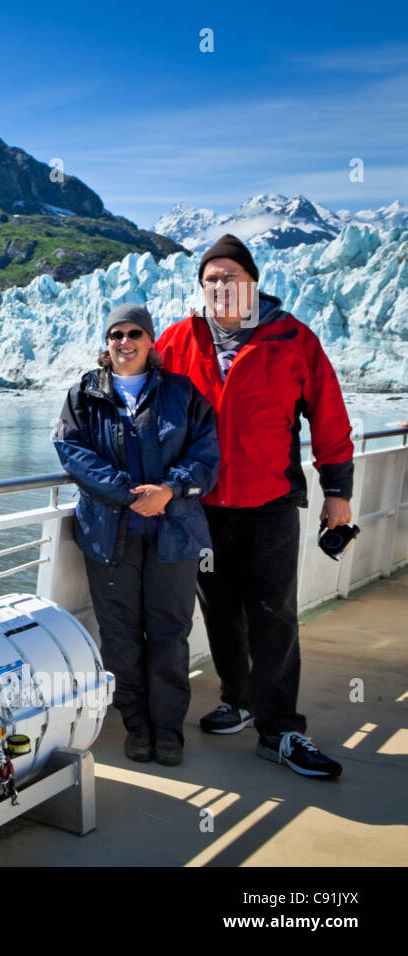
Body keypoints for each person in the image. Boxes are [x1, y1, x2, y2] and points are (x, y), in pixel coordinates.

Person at [156, 234, 353, 779]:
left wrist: (338, 490)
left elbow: (330, 417)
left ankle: (281, 728)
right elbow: (141, 404)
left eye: (230, 276)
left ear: (253, 282)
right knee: (219, 609)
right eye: (210, 279)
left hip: (269, 504)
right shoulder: (177, 340)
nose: (220, 286)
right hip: (204, 508)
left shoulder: (291, 339)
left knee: (272, 614)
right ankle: (237, 699)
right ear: (201, 288)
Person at [53, 304, 219, 766]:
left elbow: (206, 454)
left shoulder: (182, 393)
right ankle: (137, 724)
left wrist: (169, 489)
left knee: (170, 631)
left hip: (175, 534)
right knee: (121, 633)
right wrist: (129, 494)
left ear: (150, 341)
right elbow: (71, 450)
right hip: (111, 535)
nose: (124, 342)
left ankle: (168, 729)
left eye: (133, 334)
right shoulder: (84, 394)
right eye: (115, 335)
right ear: (107, 343)